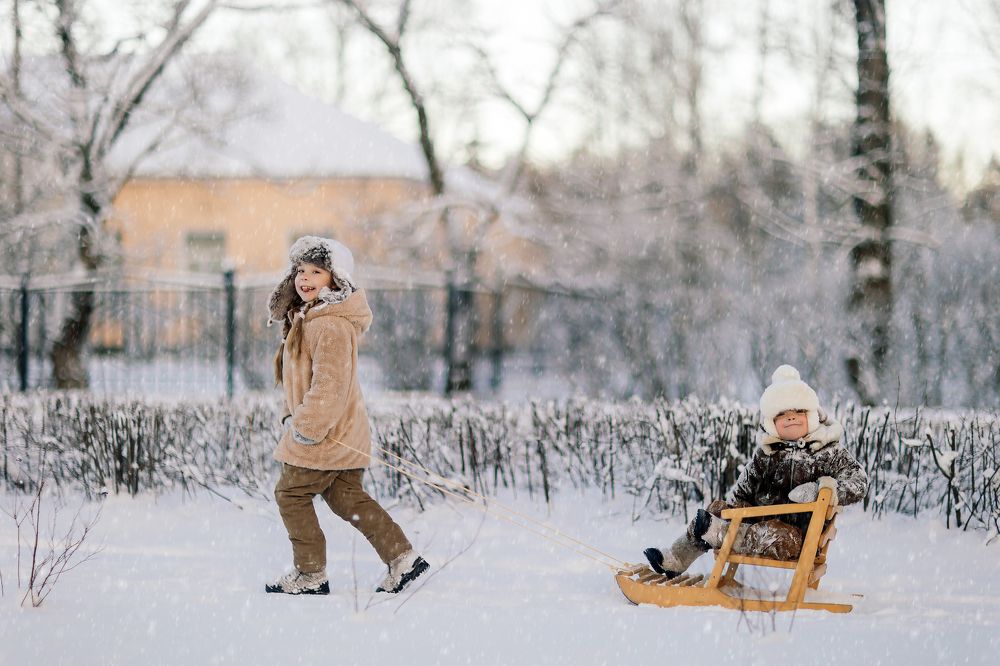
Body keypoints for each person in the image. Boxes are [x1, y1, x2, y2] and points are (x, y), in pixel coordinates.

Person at [264, 236, 429, 595]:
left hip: (324, 435)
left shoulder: (330, 325)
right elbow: (299, 381)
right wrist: (290, 415)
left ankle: (311, 574)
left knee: (290, 494)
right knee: (346, 498)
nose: (305, 278)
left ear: (335, 280)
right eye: (301, 271)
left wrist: (305, 427)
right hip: (338, 432)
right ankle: (402, 557)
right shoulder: (310, 319)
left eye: (316, 271)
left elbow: (329, 385)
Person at [643, 365, 868, 578]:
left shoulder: (827, 451)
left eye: (798, 411)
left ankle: (720, 533)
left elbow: (859, 480)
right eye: (782, 414)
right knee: (717, 510)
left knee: (775, 535)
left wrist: (824, 489)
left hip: (799, 537)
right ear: (772, 422)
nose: (791, 417)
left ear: (810, 415)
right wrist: (726, 512)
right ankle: (676, 558)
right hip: (758, 522)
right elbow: (742, 491)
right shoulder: (766, 454)